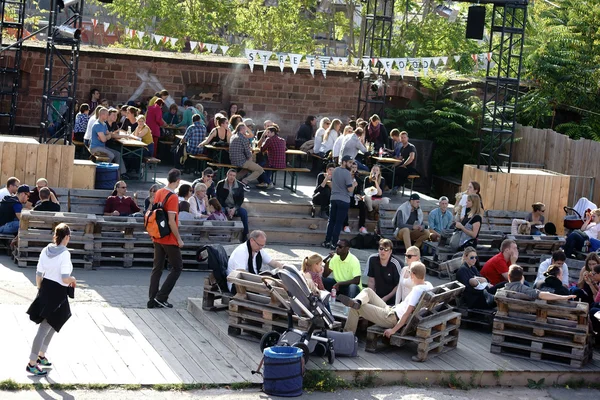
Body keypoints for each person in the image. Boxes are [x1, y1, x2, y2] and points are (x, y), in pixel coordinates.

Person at [25, 223, 76, 376]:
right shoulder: (65, 253)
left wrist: (40, 290)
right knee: (44, 328)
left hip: (46, 288)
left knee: (57, 321)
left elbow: (39, 273)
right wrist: (73, 279)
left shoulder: (45, 250)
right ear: (66, 237)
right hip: (57, 292)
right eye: (69, 236)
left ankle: (41, 355)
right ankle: (31, 363)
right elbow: (65, 278)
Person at [339, 262, 432, 336]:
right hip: (391, 310)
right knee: (368, 291)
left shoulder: (417, 290)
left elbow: (407, 314)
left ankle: (347, 336)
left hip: (392, 318)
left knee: (356, 309)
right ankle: (357, 301)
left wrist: (393, 330)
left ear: (412, 275)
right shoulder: (428, 285)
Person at [148, 168, 184, 309]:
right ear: (178, 181)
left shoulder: (159, 192)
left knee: (157, 268)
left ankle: (152, 299)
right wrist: (179, 239)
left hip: (157, 235)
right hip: (169, 238)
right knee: (177, 267)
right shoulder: (173, 197)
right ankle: (161, 297)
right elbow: (171, 221)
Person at [322, 155, 357, 249]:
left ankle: (327, 241)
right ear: (344, 162)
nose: (350, 164)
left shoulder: (335, 170)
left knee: (331, 221)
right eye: (349, 162)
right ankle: (334, 243)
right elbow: (349, 189)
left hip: (333, 198)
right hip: (344, 200)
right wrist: (354, 185)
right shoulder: (347, 173)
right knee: (338, 223)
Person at [89, 107, 128, 178]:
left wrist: (106, 136)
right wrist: (106, 136)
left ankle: (121, 174)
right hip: (95, 148)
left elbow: (109, 134)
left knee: (118, 154)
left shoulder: (103, 124)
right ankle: (104, 173)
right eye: (107, 114)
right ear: (102, 115)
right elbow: (104, 139)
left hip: (102, 146)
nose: (108, 116)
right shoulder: (97, 125)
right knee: (111, 155)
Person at [503, 265, 576, 302]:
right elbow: (541, 295)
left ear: (508, 276)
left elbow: (517, 286)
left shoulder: (502, 290)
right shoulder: (563, 290)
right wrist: (563, 297)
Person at [366, 239, 403, 306]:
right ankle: (357, 302)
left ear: (390, 251)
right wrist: (373, 298)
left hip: (392, 297)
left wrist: (384, 299)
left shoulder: (396, 264)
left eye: (386, 250)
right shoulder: (372, 259)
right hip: (377, 295)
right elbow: (371, 281)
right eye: (381, 248)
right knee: (365, 292)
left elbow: (399, 285)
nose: (383, 251)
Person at [217, 169, 249, 241]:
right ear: (227, 175)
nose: (232, 177)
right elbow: (219, 198)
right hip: (224, 206)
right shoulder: (221, 184)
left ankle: (245, 234)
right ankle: (221, 233)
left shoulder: (239, 185)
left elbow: (241, 199)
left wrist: (234, 209)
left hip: (234, 207)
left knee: (244, 213)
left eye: (234, 175)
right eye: (230, 175)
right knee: (220, 212)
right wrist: (227, 208)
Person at [257, 124, 286, 189]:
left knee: (258, 167)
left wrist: (264, 139)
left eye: (268, 132)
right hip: (282, 164)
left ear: (273, 133)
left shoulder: (269, 139)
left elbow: (262, 149)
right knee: (267, 165)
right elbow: (285, 149)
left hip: (273, 163)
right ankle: (265, 182)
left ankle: (269, 182)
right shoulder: (282, 140)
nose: (267, 134)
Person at [343, 161, 367, 234]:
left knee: (362, 204)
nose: (354, 169)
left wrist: (359, 196)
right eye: (352, 167)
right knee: (345, 204)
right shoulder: (345, 177)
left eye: (355, 167)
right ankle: (345, 225)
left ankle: (362, 226)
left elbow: (359, 191)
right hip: (345, 197)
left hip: (354, 198)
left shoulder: (358, 179)